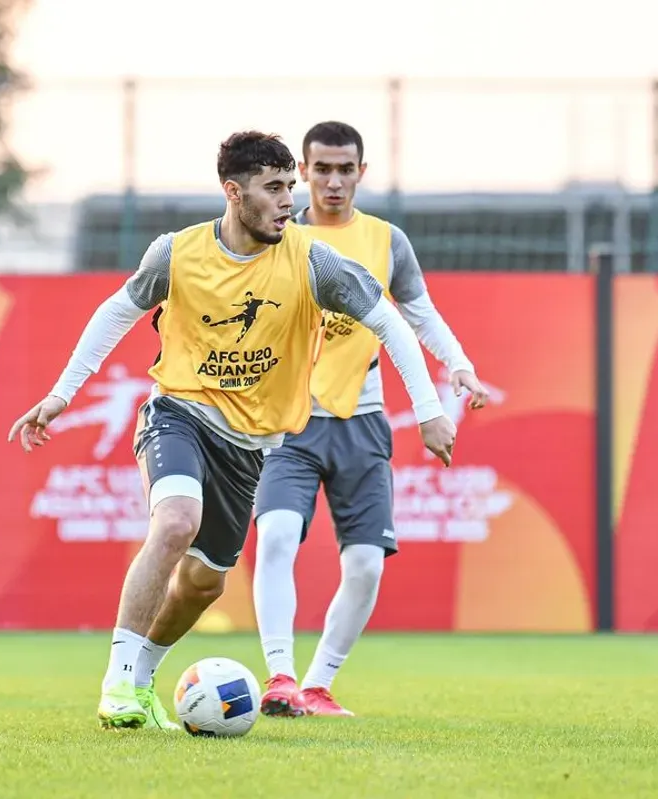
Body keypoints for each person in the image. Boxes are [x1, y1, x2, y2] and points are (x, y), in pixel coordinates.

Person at [7, 130, 457, 731]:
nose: (289, 201)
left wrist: (428, 409)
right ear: (233, 191)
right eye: (274, 188)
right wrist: (61, 395)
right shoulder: (176, 253)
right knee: (174, 522)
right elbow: (117, 310)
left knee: (202, 585)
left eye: (289, 188)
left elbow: (391, 323)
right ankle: (116, 685)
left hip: (251, 448)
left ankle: (142, 681)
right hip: (179, 414)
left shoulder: (313, 260)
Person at [252, 121, 489, 718]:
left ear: (362, 171)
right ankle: (279, 677)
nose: (334, 181)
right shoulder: (276, 235)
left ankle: (318, 685)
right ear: (301, 173)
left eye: (345, 169)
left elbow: (420, 315)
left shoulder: (387, 240)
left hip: (362, 421)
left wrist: (458, 366)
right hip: (289, 420)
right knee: (276, 536)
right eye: (322, 169)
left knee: (363, 565)